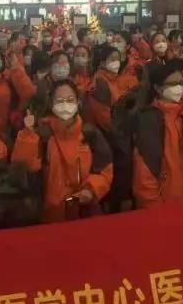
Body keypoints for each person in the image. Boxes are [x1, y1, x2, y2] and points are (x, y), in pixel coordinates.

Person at [15, 80, 113, 222]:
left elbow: (104, 170)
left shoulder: (89, 134)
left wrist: (91, 189)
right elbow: (23, 168)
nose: (65, 105)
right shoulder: (42, 134)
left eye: (70, 100)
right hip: (47, 217)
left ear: (78, 103)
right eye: (60, 101)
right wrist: (28, 134)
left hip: (81, 213)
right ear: (51, 104)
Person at [132, 61, 183, 209]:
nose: (178, 87)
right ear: (157, 88)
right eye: (172, 84)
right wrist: (153, 206)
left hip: (182, 195)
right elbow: (145, 170)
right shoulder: (151, 119)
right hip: (161, 200)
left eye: (180, 83)